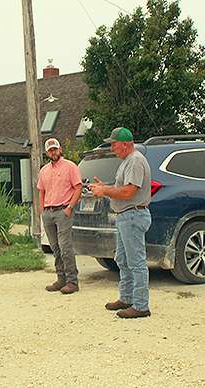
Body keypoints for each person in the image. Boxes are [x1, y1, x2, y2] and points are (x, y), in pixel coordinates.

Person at [89, 127, 153, 319]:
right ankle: (127, 298)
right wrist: (105, 187)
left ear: (125, 144)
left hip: (133, 216)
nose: (112, 148)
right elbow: (122, 188)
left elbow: (128, 192)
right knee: (123, 260)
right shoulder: (127, 161)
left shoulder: (135, 161)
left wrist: (105, 191)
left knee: (136, 263)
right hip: (126, 216)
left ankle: (141, 306)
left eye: (114, 144)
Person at [37, 138, 83, 294]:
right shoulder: (44, 170)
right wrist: (42, 210)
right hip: (48, 212)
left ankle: (72, 281)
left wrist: (70, 207)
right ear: (46, 152)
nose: (53, 152)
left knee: (65, 247)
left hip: (63, 210)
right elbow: (41, 191)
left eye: (55, 149)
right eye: (50, 150)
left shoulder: (70, 167)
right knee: (54, 247)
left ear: (60, 149)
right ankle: (61, 279)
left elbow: (78, 187)